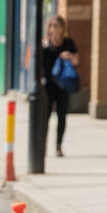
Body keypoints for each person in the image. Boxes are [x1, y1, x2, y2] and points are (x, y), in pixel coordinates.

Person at [41, 14, 79, 158]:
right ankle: (42, 146)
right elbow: (34, 63)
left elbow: (77, 62)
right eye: (51, 26)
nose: (54, 29)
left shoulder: (68, 43)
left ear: (62, 28)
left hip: (63, 85)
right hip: (48, 86)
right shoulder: (45, 44)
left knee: (62, 116)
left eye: (57, 26)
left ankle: (58, 146)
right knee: (45, 118)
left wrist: (69, 56)